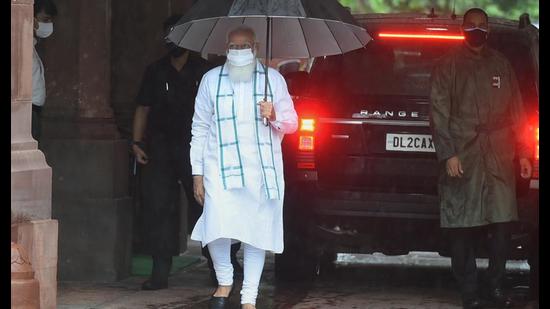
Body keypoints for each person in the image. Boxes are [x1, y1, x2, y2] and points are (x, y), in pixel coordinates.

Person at [429, 8, 533, 309]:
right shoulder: (448, 66)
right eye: (472, 25)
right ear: (463, 28)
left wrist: (525, 153)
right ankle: (470, 292)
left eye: (482, 26)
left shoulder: (501, 65)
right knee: (462, 225)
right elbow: (439, 115)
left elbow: (518, 113)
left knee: (502, 224)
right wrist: (448, 153)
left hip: (499, 156)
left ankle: (495, 286)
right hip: (464, 155)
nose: (477, 30)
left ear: (488, 29)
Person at [190, 26, 298, 309]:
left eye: (245, 46)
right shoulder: (210, 80)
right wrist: (197, 173)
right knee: (217, 224)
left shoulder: (272, 80)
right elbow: (199, 128)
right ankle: (224, 280)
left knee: (255, 231)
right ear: (226, 48)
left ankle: (248, 297)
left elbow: (292, 123)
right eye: (234, 47)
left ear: (257, 48)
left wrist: (273, 113)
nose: (239, 52)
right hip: (218, 167)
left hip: (261, 171)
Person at [131, 14, 229, 290]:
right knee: (158, 208)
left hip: (196, 149)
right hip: (159, 148)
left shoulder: (206, 72)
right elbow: (143, 107)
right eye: (169, 35)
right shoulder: (155, 71)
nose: (173, 40)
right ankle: (160, 271)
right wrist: (136, 143)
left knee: (207, 205)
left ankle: (219, 267)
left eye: (179, 34)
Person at [32, 0, 57, 142]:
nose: (48, 25)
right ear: (32, 19)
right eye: (45, 20)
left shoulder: (32, 47)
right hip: (25, 111)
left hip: (34, 111)